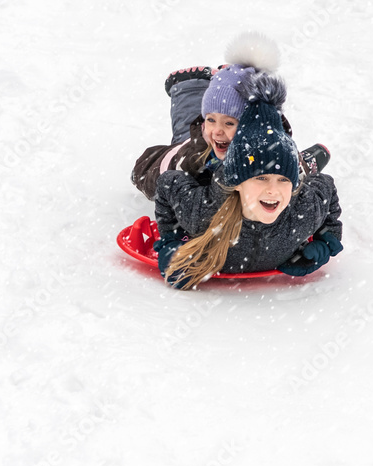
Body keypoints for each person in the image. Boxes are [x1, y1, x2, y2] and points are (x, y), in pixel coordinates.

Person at [153, 71, 343, 289]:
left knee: (283, 162)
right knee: (186, 144)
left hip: (265, 152)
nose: (273, 191)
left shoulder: (302, 213)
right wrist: (172, 240)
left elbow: (326, 186)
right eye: (261, 178)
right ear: (237, 184)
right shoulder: (203, 213)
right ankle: (190, 86)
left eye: (283, 180)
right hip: (202, 156)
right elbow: (168, 183)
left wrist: (326, 238)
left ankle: (300, 164)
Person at [130, 33, 326, 200]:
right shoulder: (193, 156)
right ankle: (189, 86)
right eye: (211, 120)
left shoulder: (273, 145)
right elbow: (150, 176)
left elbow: (287, 178)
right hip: (194, 147)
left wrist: (298, 170)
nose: (217, 129)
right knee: (190, 133)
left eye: (230, 123)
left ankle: (227, 81)